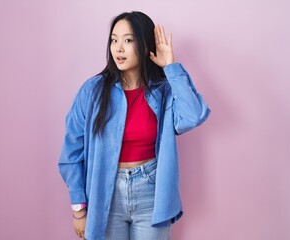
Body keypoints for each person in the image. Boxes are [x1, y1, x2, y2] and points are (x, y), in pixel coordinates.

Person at [58, 11, 211, 240]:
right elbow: (70, 153)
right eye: (114, 40)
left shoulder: (163, 91)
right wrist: (79, 209)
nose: (118, 48)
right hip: (104, 193)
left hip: (151, 190)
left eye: (128, 40)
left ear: (144, 44)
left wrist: (171, 66)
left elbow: (193, 115)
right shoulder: (92, 91)